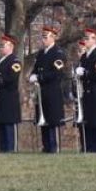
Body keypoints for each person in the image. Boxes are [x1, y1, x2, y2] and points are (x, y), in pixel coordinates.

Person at [30, 25, 67, 153]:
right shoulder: (41, 53)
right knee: (43, 118)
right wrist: (33, 75)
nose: (43, 39)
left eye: (45, 37)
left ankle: (53, 147)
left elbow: (57, 74)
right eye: (42, 37)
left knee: (52, 120)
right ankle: (46, 146)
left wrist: (39, 77)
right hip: (42, 92)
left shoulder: (58, 53)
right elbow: (36, 68)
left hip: (52, 91)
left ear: (53, 37)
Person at [0, 34, 23, 152]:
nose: (1, 47)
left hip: (9, 97)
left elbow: (12, 78)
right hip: (0, 97)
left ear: (11, 46)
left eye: (3, 45)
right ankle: (3, 149)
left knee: (9, 124)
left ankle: (11, 149)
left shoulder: (14, 61)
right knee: (2, 123)